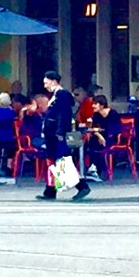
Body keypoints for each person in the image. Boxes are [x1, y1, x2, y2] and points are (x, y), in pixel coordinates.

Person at [37, 70, 91, 201]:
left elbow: (63, 114)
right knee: (53, 161)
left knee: (62, 162)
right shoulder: (57, 95)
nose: (45, 86)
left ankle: (82, 186)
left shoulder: (62, 95)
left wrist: (60, 131)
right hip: (51, 133)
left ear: (54, 81)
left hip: (57, 134)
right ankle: (50, 189)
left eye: (46, 82)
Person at [85, 94, 123, 176]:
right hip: (100, 136)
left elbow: (114, 130)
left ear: (102, 105)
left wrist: (99, 134)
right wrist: (99, 135)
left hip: (112, 137)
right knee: (90, 142)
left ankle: (96, 167)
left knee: (97, 144)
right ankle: (93, 167)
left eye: (95, 104)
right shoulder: (96, 115)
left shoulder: (113, 114)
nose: (93, 106)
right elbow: (93, 128)